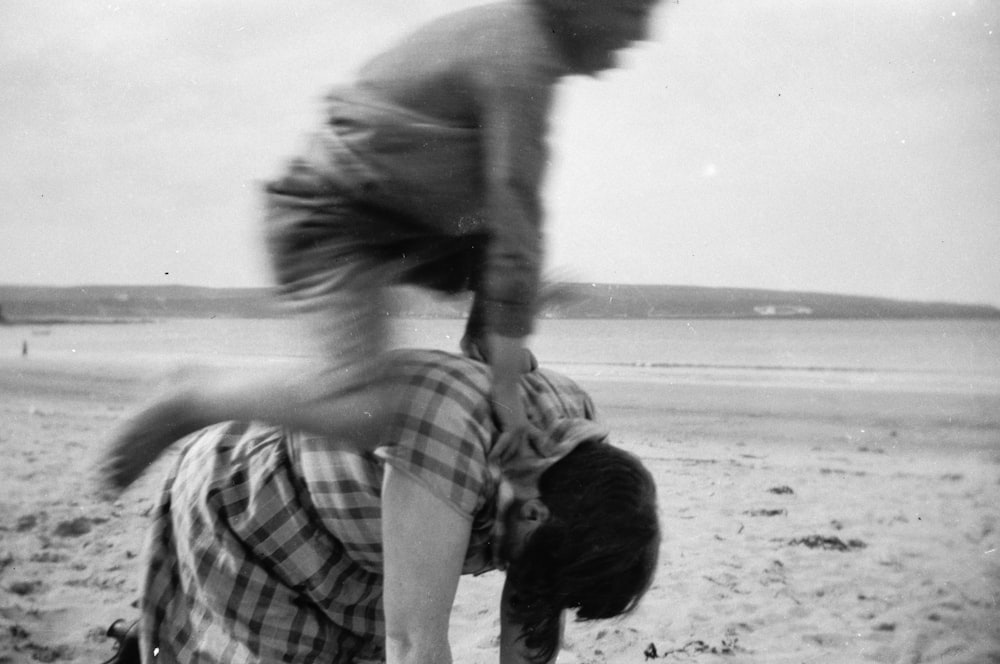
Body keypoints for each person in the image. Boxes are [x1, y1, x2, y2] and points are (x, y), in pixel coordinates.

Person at [101, 0, 662, 491]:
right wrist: (508, 390)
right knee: (367, 411)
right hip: (330, 225)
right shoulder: (518, 56)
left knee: (512, 268)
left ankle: (488, 342)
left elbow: (501, 218)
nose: (643, 33)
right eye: (636, 10)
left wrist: (502, 334)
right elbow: (518, 213)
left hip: (398, 221)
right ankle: (193, 395)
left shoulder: (512, 36)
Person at [102, 349, 660, 664]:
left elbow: (535, 603)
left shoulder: (575, 468)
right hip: (261, 518)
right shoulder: (452, 444)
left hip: (363, 557)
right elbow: (414, 644)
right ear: (535, 514)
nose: (513, 576)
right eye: (526, 560)